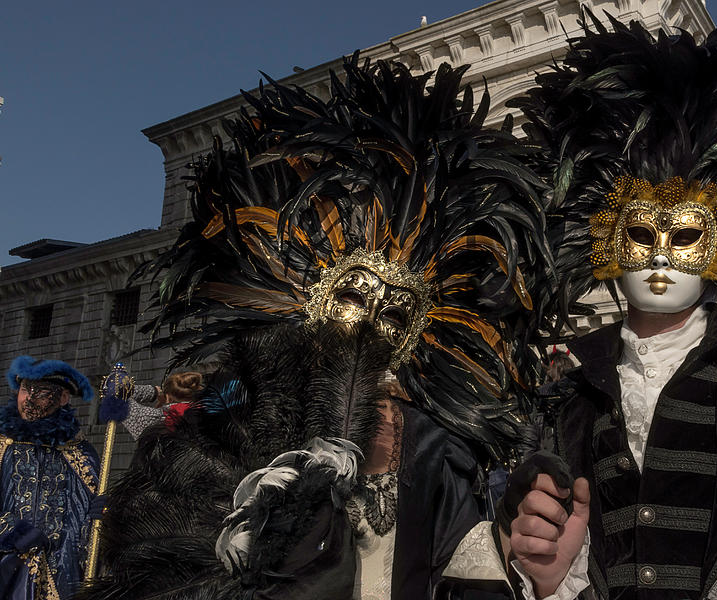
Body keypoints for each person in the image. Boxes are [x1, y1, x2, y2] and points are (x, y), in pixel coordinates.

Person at [440, 15, 717, 600]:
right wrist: (548, 580)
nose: (661, 255)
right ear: (604, 239)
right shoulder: (566, 399)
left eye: (685, 235)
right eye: (638, 232)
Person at [80, 56, 550, 600]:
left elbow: (462, 565)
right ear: (313, 296)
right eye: (355, 295)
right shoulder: (238, 406)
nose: (372, 321)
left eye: (396, 313)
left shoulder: (434, 441)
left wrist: (524, 562)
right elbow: (162, 545)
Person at [0, 356, 101, 600]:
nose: (29, 399)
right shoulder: (3, 446)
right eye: (25, 389)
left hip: (63, 575)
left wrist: (100, 514)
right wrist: (9, 531)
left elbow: (86, 526)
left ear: (63, 398)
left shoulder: (79, 452)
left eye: (42, 392)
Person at [119, 371, 204, 439]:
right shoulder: (211, 409)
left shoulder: (163, 418)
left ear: (169, 398)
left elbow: (116, 393)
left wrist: (154, 392)